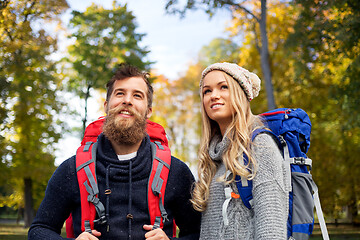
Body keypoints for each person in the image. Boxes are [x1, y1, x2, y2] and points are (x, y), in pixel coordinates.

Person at [28, 63, 201, 240]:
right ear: (106, 106)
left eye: (137, 95)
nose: (127, 100)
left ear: (148, 111)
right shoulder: (72, 169)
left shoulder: (176, 171)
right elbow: (39, 230)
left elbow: (199, 233)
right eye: (120, 93)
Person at [192, 62, 289, 239]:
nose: (214, 95)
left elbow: (272, 228)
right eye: (207, 91)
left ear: (240, 93)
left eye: (223, 87)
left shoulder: (260, 146)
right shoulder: (213, 157)